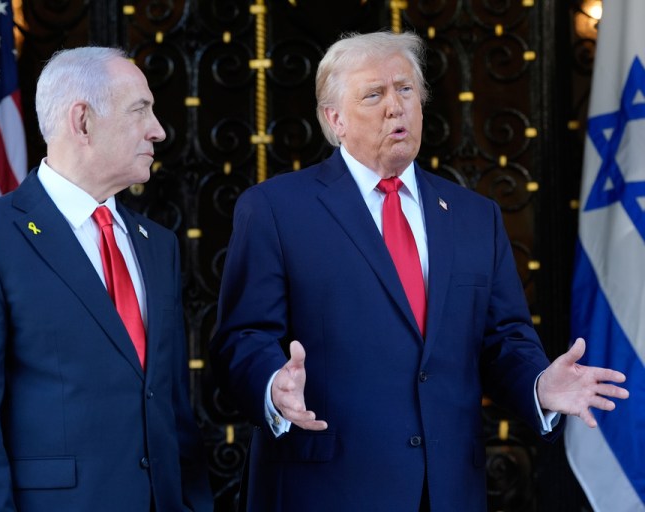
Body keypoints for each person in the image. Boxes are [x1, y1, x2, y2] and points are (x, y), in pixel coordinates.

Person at [210, 31, 629, 511]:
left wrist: (538, 385)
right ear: (335, 119)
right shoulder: (276, 209)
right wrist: (272, 386)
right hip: (326, 490)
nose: (396, 107)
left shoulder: (476, 216)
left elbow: (504, 339)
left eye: (406, 89)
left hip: (447, 490)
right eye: (374, 94)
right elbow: (241, 338)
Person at [0, 47, 214, 511]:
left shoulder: (157, 244)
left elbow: (171, 404)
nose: (158, 129)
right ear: (82, 121)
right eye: (141, 109)